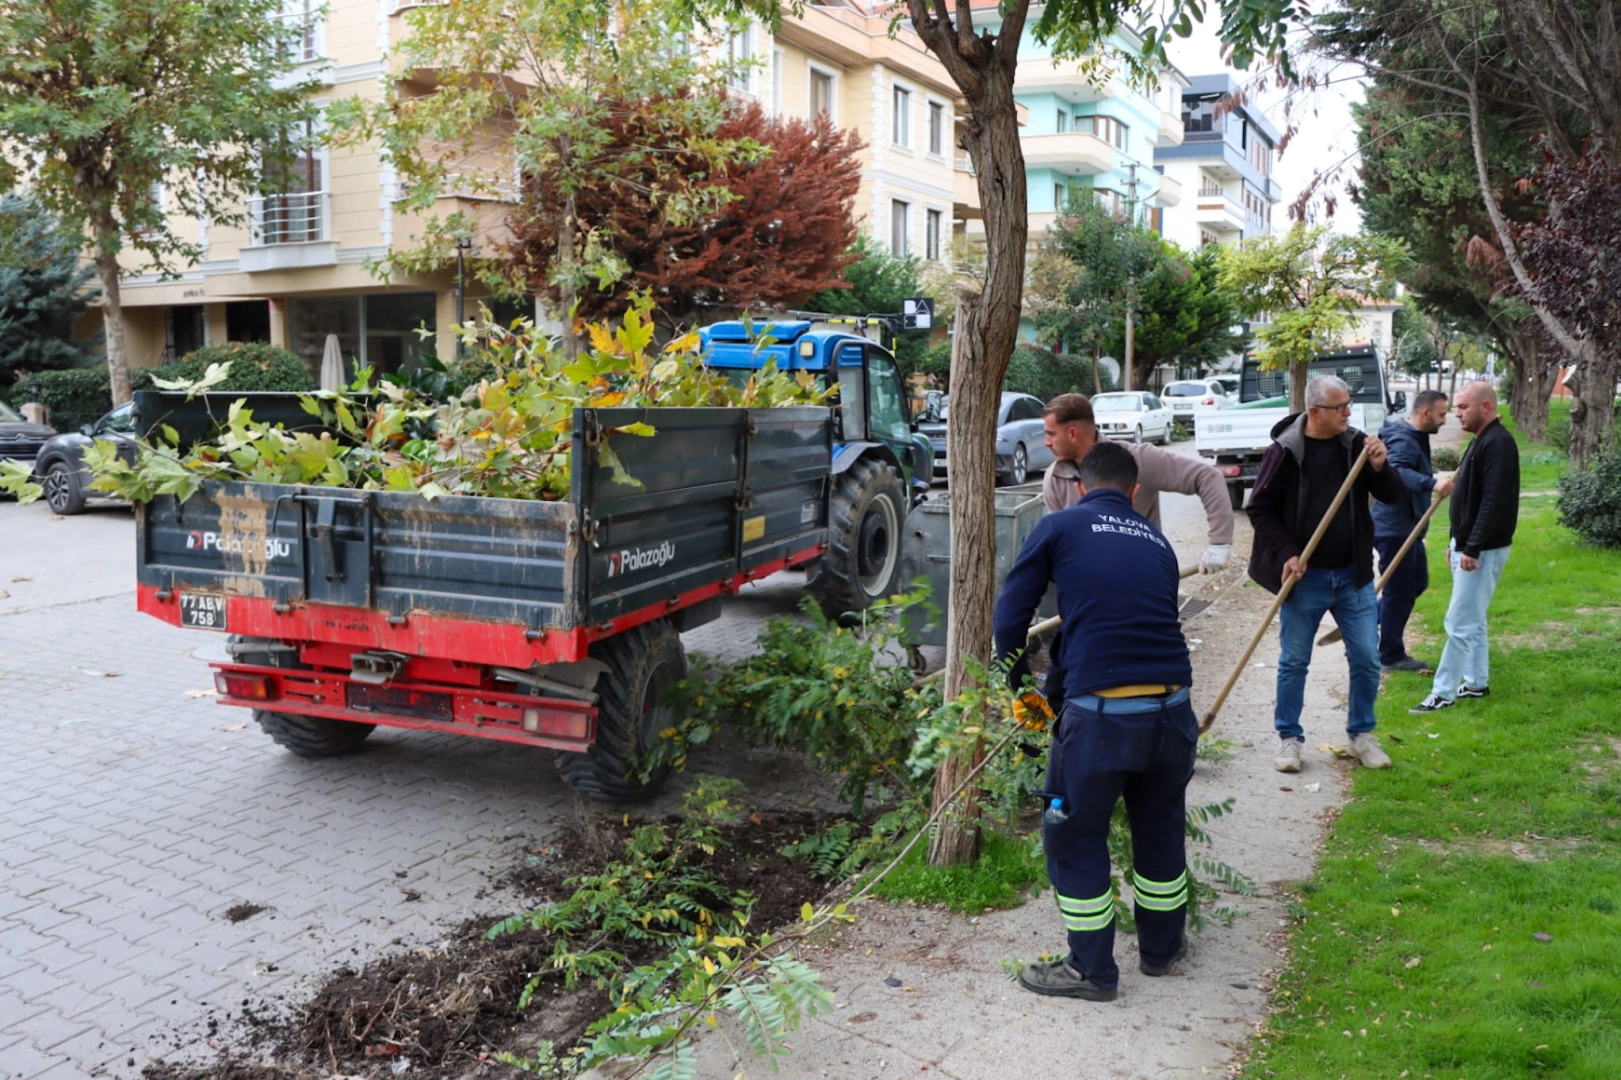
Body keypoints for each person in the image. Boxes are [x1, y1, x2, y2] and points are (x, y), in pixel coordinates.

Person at [994, 440, 1196, 1002]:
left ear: (1080, 487)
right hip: (1173, 714)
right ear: (1135, 491)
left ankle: (1091, 971)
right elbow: (1109, 626)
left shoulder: (1060, 526)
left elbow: (1010, 617)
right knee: (1159, 829)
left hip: (1104, 723)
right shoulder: (1156, 540)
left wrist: (1020, 687)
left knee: (1074, 836)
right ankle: (1161, 950)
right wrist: (1056, 691)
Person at [1247, 375, 1405, 772]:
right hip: (1306, 578)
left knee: (1367, 657)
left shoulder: (1356, 445)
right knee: (1294, 661)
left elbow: (1392, 494)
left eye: (1349, 404)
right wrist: (1287, 552)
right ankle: (1289, 740)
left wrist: (1380, 466)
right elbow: (1259, 508)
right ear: (1316, 411)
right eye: (1341, 407)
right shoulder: (1285, 451)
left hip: (1353, 576)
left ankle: (1360, 736)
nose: (1349, 412)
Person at [1410, 381, 1520, 714]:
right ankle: (1475, 682)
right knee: (1474, 618)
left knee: (1459, 622)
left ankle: (1443, 692)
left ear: (1485, 407)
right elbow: (1467, 498)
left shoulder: (1498, 444)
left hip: (1482, 549)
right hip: (1469, 545)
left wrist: (1472, 548)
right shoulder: (1481, 439)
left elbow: (1493, 501)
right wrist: (1455, 541)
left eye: (1462, 407)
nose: (1456, 414)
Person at [1040, 393, 1234, 574]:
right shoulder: (1055, 478)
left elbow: (1207, 477)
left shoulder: (1137, 459)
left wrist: (1219, 543)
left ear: (1072, 433)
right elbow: (1062, 539)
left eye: (1051, 434)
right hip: (1093, 583)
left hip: (1145, 576)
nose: (1046, 442)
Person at [1372, 390, 1455, 673]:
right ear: (1425, 413)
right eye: (1441, 414)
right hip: (1394, 528)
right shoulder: (1403, 439)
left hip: (1408, 527)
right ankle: (1390, 655)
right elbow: (1396, 470)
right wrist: (1432, 483)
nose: (1444, 420)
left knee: (1416, 583)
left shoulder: (1413, 436)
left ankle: (1363, 621)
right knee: (1398, 591)